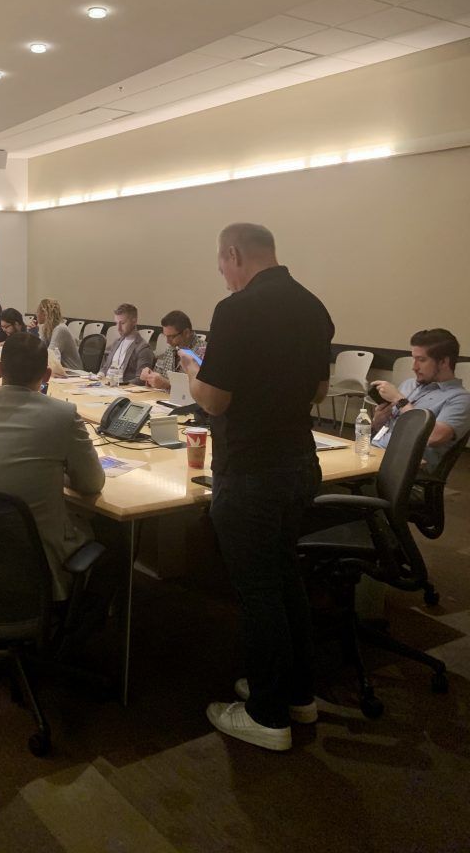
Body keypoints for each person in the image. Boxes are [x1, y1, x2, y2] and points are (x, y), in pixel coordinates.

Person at [179, 223, 334, 753]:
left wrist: (191, 373)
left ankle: (267, 716)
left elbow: (216, 401)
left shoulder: (236, 310)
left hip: (251, 470)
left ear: (234, 253)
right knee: (285, 578)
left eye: (222, 263)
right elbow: (318, 391)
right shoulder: (314, 307)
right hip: (298, 464)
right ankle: (296, 693)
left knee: (259, 592)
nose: (222, 274)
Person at [0, 331, 105, 600]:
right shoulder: (63, 416)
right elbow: (91, 484)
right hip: (37, 562)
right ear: (47, 376)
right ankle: (84, 631)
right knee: (113, 533)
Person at [370, 329, 470, 473]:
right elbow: (387, 428)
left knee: (332, 488)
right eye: (414, 359)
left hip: (402, 473)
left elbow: (434, 437)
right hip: (374, 455)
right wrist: (379, 421)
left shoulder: (460, 399)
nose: (414, 367)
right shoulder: (409, 384)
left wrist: (400, 400)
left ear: (443, 362)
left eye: (421, 360)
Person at [140, 310, 206, 391]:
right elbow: (159, 374)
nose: (167, 341)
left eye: (171, 337)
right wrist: (150, 376)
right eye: (165, 336)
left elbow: (201, 391)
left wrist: (168, 385)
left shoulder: (203, 351)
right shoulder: (171, 349)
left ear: (186, 333)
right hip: (162, 399)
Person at [98, 303, 153, 384]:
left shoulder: (143, 348)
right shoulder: (116, 342)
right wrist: (100, 374)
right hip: (105, 385)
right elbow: (105, 367)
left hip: (122, 390)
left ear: (134, 321)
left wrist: (117, 384)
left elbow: (141, 380)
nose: (118, 328)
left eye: (122, 323)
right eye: (116, 323)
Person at [37, 298, 82, 372]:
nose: (36, 314)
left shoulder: (60, 329)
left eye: (38, 311)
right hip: (61, 371)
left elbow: (51, 356)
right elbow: (40, 350)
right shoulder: (47, 329)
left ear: (45, 313)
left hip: (73, 372)